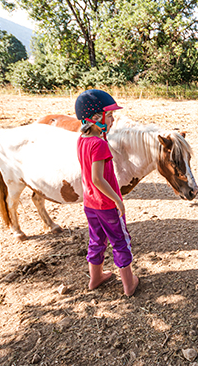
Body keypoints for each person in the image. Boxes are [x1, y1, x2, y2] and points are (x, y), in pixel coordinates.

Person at [75, 89, 139, 296]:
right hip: (107, 206)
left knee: (96, 240)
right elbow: (97, 179)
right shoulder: (99, 144)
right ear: (95, 119)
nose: (112, 119)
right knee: (120, 241)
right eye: (109, 115)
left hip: (90, 204)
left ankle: (95, 278)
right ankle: (129, 284)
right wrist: (117, 201)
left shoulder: (81, 141)